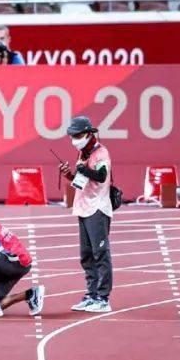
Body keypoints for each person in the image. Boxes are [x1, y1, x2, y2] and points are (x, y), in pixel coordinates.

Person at [59, 115, 114, 313]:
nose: (75, 139)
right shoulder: (82, 154)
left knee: (100, 254)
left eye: (78, 135)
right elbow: (81, 182)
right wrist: (69, 175)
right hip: (83, 208)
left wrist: (85, 169)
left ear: (89, 134)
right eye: (73, 136)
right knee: (87, 256)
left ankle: (103, 298)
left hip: (97, 209)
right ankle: (91, 295)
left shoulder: (101, 153)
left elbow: (100, 176)